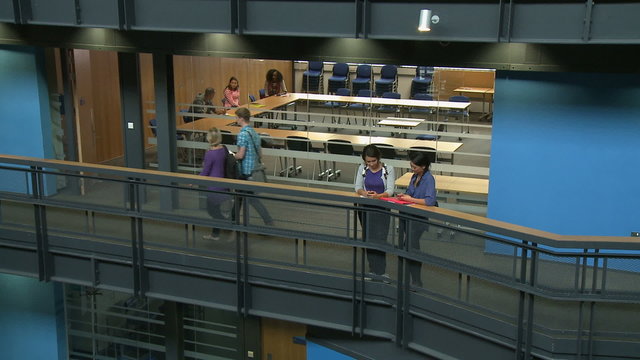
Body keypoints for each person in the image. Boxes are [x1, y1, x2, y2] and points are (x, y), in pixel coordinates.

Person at [354, 145, 396, 279]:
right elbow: (357, 187)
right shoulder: (362, 169)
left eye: (373, 161)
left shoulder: (388, 169)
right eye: (368, 162)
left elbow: (390, 191)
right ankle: (372, 270)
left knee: (380, 239)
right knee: (368, 238)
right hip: (366, 208)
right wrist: (365, 193)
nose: (371, 164)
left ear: (378, 158)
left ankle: (381, 272)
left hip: (382, 209)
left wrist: (378, 196)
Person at [397, 151, 437, 288]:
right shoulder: (414, 177)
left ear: (423, 166)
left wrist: (411, 199)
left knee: (410, 246)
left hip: (419, 218)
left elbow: (430, 201)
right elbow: (410, 191)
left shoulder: (429, 179)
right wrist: (405, 195)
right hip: (409, 215)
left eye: (414, 167)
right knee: (409, 246)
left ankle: (416, 280)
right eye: (411, 166)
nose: (412, 169)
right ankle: (414, 279)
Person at [233, 107, 274, 225]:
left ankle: (268, 221)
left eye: (236, 117)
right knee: (240, 197)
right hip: (254, 169)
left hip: (246, 171)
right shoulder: (254, 133)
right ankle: (233, 220)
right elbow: (260, 153)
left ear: (241, 118)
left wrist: (232, 156)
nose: (236, 120)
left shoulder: (242, 134)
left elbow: (240, 155)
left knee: (250, 199)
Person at [199, 127, 230, 240]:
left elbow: (205, 172)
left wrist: (192, 181)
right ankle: (215, 234)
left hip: (214, 187)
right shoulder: (223, 149)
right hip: (223, 184)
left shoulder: (210, 154)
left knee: (212, 210)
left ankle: (229, 225)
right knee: (215, 210)